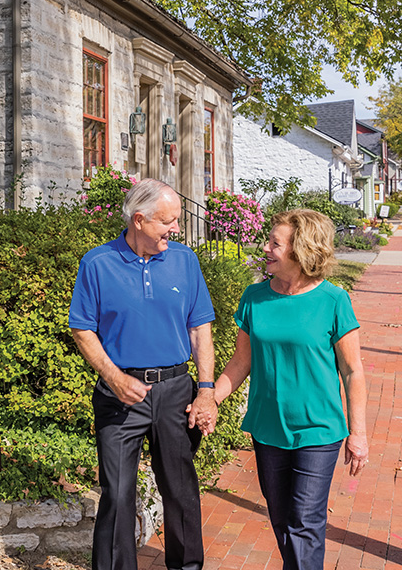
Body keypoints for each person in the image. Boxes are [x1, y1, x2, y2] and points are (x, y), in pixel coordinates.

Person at [69, 178, 217, 570]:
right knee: (117, 494)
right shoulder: (97, 263)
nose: (176, 229)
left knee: (181, 490)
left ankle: (187, 566)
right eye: (168, 221)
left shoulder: (185, 260)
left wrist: (205, 391)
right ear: (139, 219)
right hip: (120, 395)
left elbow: (201, 328)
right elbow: (82, 329)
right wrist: (115, 378)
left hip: (175, 392)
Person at [208, 209, 368, 570]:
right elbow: (240, 361)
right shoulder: (254, 297)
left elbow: (353, 371)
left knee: (304, 523)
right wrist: (210, 399)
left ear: (301, 250)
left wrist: (358, 433)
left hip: (318, 429)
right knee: (282, 520)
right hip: (268, 428)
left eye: (274, 243)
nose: (264, 248)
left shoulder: (333, 300)